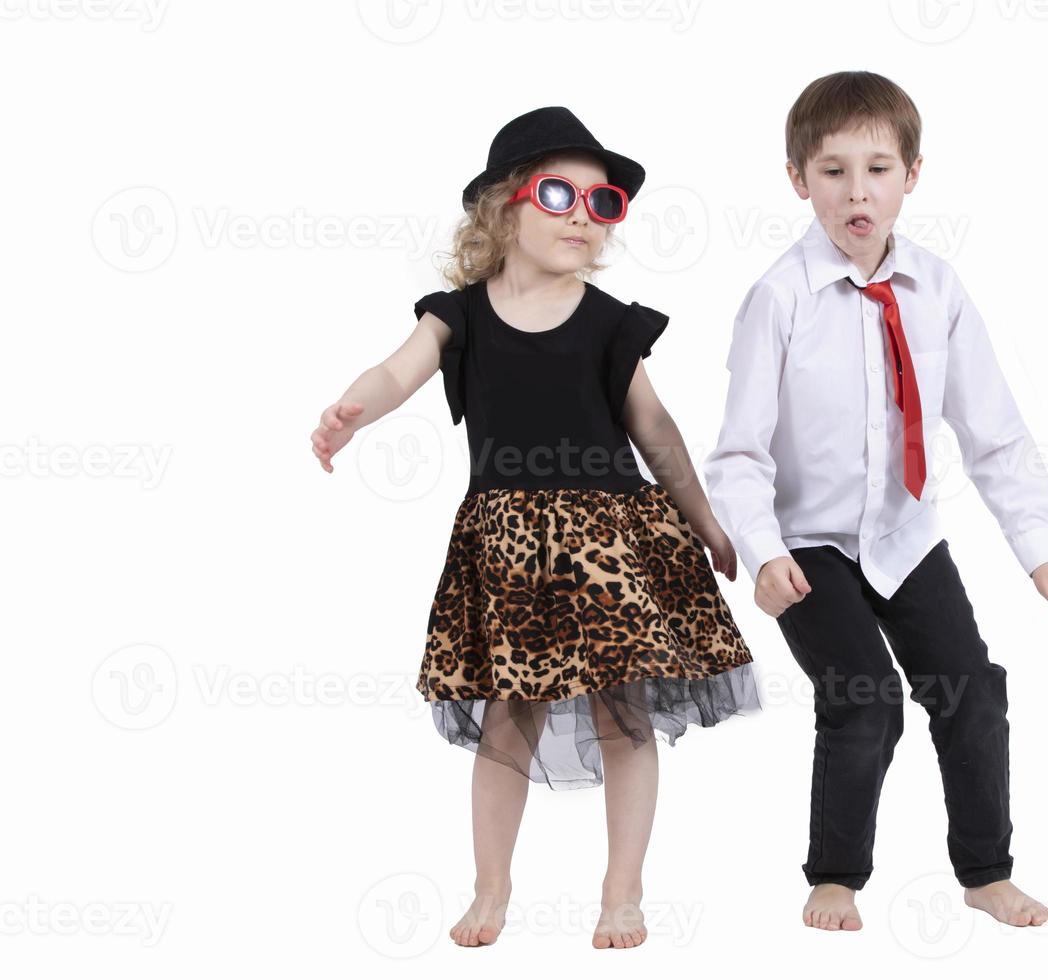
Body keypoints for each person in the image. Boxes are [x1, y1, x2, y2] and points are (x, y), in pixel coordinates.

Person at [311, 106, 759, 949]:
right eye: (560, 193)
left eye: (603, 204)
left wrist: (706, 524)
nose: (581, 216)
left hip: (611, 547)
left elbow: (657, 432)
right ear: (502, 207)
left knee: (621, 716)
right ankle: (491, 887)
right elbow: (397, 371)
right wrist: (351, 414)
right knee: (506, 719)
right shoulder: (460, 315)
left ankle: (622, 890)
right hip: (507, 553)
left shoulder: (608, 323)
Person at [702, 71, 1048, 933]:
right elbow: (737, 453)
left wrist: (1042, 546)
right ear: (798, 179)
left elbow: (993, 430)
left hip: (906, 534)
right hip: (809, 541)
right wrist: (764, 554)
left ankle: (986, 872)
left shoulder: (937, 289)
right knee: (865, 697)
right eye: (833, 171)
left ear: (912, 176)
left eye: (878, 169)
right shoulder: (780, 297)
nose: (857, 192)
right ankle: (835, 876)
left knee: (971, 690)